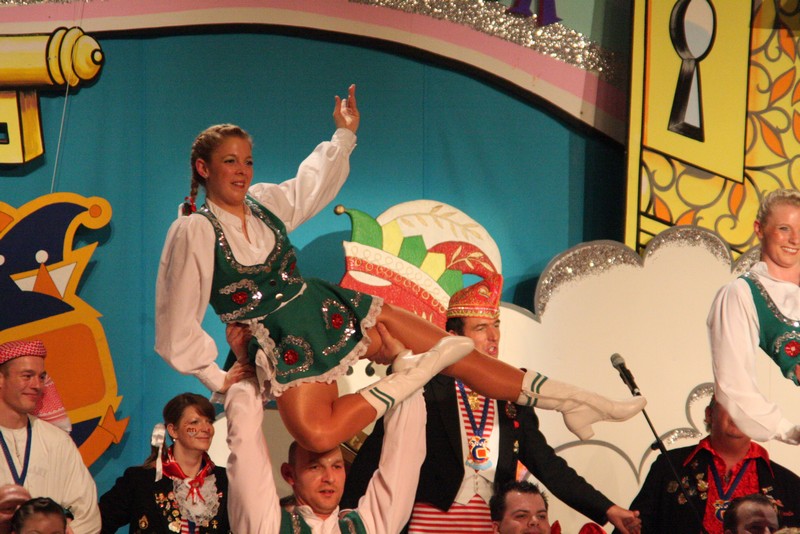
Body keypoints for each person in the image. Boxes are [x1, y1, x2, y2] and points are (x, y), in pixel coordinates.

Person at [154, 84, 646, 454]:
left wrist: (344, 134)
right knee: (318, 434)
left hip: (325, 307)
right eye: (230, 162)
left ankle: (575, 400)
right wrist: (217, 378)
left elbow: (309, 186)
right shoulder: (195, 230)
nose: (242, 172)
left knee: (460, 354)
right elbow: (176, 321)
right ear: (204, 168)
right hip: (286, 340)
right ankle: (417, 372)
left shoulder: (264, 204)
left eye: (247, 161)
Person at [344, 275, 641, 533]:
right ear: (452, 337)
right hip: (428, 524)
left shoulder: (511, 394)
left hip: (491, 525)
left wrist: (607, 509)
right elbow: (377, 453)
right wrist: (346, 517)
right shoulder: (425, 387)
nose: (494, 336)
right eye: (481, 328)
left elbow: (547, 465)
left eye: (496, 325)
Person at [223, 325, 428, 534]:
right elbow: (245, 444)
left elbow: (404, 458)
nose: (329, 478)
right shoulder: (268, 526)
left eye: (337, 467)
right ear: (289, 474)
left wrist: (402, 362)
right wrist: (247, 365)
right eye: (315, 467)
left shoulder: (365, 528)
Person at [621, 396, 800, 533]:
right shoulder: (670, 466)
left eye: (747, 409)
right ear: (709, 414)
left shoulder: (788, 483)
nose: (739, 414)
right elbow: (634, 527)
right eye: (731, 405)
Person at [708, 188, 800, 444]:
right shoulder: (742, 293)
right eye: (784, 228)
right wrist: (789, 431)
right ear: (759, 229)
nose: (795, 239)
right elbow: (733, 384)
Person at [0, 340, 99, 534]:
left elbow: (88, 515)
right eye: (27, 376)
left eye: (41, 377)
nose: (37, 385)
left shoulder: (57, 441)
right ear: (1, 379)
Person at [99, 392, 231, 533]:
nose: (206, 428)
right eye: (195, 422)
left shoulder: (226, 480)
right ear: (173, 430)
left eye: (209, 421)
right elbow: (96, 524)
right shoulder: (140, 480)